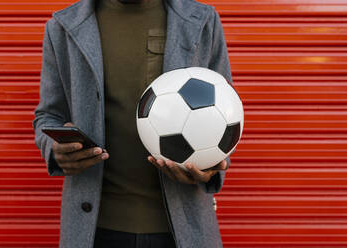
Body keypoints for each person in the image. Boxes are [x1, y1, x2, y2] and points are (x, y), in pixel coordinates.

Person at [33, 0, 233, 247]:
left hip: (184, 227)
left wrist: (210, 167)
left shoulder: (202, 20)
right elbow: (48, 115)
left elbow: (225, 111)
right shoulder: (63, 27)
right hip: (95, 229)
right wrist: (55, 151)